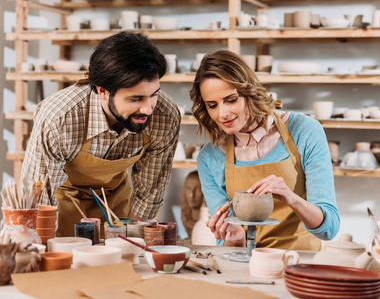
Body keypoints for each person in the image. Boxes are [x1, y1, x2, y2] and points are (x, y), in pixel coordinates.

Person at [21, 31, 181, 237]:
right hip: (61, 202)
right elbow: (39, 198)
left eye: (154, 95)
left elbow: (149, 192)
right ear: (103, 91)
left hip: (115, 200)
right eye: (135, 99)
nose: (148, 109)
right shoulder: (59, 118)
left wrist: (130, 240)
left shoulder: (164, 116)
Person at [190, 50, 340, 250]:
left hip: (300, 265)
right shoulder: (210, 157)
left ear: (249, 92)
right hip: (246, 265)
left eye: (231, 100)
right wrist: (233, 237)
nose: (222, 114)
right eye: (212, 105)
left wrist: (290, 197)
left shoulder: (305, 130)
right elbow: (227, 243)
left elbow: (329, 229)